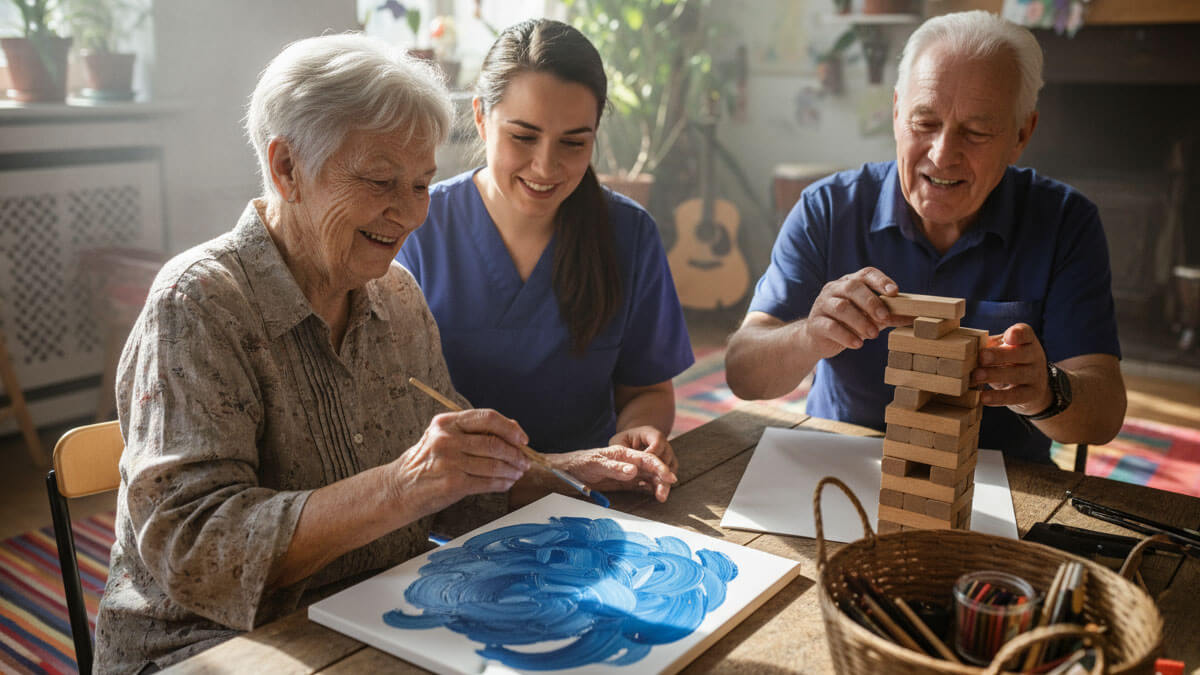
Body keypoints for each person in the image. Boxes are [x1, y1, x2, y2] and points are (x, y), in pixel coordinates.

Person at [93, 34, 664, 674]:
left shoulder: (393, 295)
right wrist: (401, 486)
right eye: (378, 180)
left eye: (421, 184)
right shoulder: (199, 303)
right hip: (215, 645)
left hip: (371, 613)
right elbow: (194, 553)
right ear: (286, 168)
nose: (410, 213)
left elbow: (454, 488)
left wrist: (565, 470)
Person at [725, 11, 1126, 462]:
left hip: (996, 481)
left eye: (976, 132)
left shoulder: (1065, 222)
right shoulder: (829, 209)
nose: (942, 154)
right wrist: (809, 337)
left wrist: (1045, 390)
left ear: (1021, 134)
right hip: (840, 469)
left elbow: (1105, 412)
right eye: (925, 123)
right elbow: (743, 374)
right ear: (896, 113)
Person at [397, 19, 692, 501]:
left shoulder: (629, 234)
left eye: (574, 143)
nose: (546, 167)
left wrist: (638, 434)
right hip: (452, 510)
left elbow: (647, 391)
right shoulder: (420, 227)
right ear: (479, 117)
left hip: (589, 502)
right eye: (523, 137)